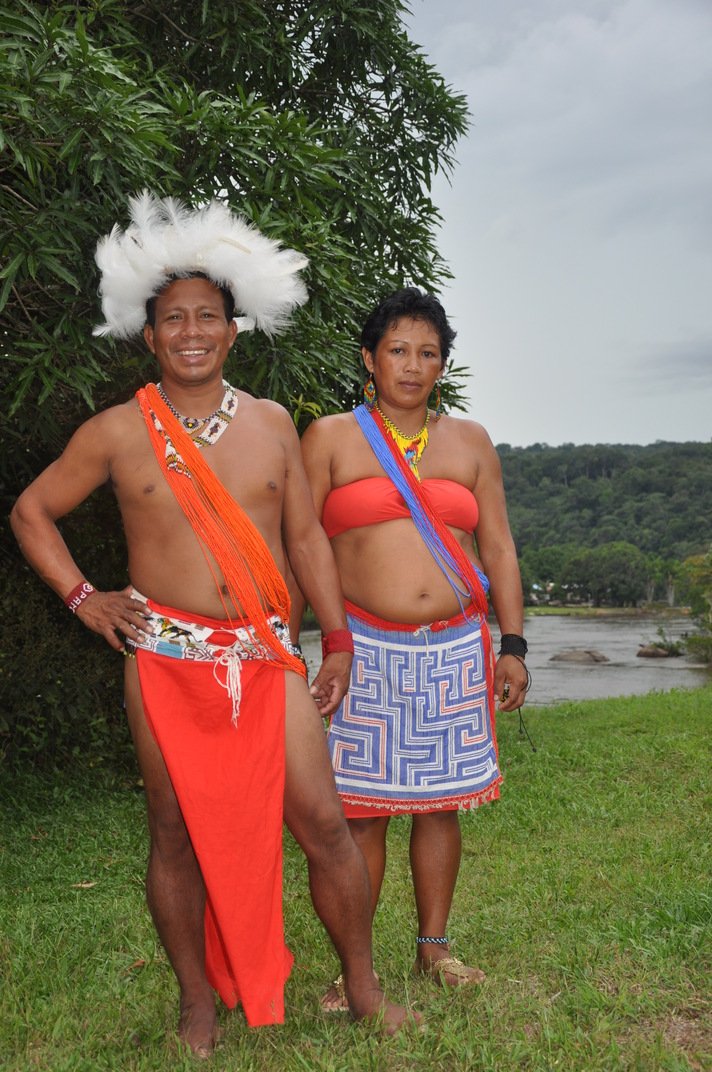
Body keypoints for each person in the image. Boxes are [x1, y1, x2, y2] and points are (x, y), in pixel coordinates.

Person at [10, 195, 418, 1056]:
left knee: (324, 823)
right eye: (173, 319)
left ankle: (363, 987)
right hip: (163, 657)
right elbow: (31, 511)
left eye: (206, 317)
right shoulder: (116, 432)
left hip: (266, 654)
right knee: (174, 834)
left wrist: (338, 639)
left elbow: (304, 539)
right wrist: (85, 599)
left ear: (233, 331)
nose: (190, 331)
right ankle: (196, 1002)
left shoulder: (272, 423)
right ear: (149, 336)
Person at [299, 287, 528, 1009]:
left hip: (455, 646)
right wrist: (294, 638)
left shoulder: (471, 442)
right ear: (369, 358)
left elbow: (498, 546)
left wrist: (513, 643)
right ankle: (355, 969)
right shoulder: (330, 437)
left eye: (428, 353)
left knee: (439, 805)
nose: (412, 364)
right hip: (362, 647)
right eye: (397, 349)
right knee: (360, 812)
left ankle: (435, 949)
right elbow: (301, 547)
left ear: (442, 366)